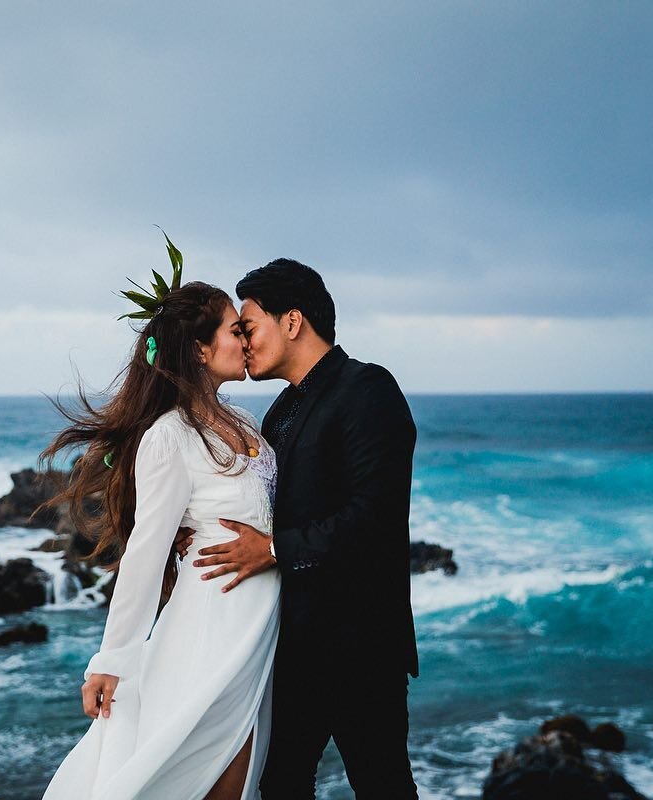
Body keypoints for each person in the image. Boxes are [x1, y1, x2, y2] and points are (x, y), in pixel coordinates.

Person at [40, 275, 282, 800]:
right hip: (213, 625)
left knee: (242, 770)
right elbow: (146, 556)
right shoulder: (169, 437)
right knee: (213, 767)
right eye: (235, 331)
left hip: (257, 624)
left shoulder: (244, 420)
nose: (246, 341)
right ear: (199, 349)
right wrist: (111, 660)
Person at [191, 258, 420, 798]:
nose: (243, 342)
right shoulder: (278, 413)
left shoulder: (367, 388)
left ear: (292, 321)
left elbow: (374, 516)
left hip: (361, 645)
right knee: (281, 784)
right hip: (291, 645)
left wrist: (272, 549)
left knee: (382, 784)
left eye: (250, 327)